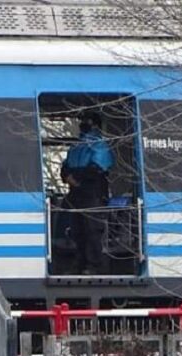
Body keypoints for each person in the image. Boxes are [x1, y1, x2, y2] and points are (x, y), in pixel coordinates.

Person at [59, 112, 114, 275]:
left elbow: (98, 167)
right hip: (76, 193)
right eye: (81, 121)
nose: (82, 124)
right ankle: (79, 264)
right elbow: (65, 165)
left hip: (93, 192)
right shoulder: (77, 145)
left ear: (95, 124)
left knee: (92, 230)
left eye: (86, 121)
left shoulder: (99, 143)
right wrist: (67, 176)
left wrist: (77, 178)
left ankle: (94, 265)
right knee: (76, 229)